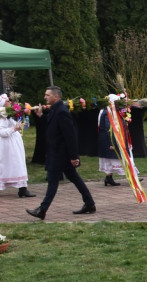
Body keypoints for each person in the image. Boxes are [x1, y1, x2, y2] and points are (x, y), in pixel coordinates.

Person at [26, 86, 95, 219]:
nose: (45, 97)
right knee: (75, 179)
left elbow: (71, 136)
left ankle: (42, 209)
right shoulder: (54, 110)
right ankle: (90, 204)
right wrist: (40, 117)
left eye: (47, 95)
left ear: (56, 96)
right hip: (56, 153)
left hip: (60, 155)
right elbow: (52, 127)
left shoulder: (62, 112)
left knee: (53, 181)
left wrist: (74, 156)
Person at [0, 94, 34, 198]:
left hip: (14, 145)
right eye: (7, 101)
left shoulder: (8, 115)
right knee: (4, 166)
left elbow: (14, 124)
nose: (9, 102)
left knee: (19, 164)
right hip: (6, 146)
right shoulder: (1, 116)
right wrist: (13, 129)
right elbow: (2, 132)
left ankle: (23, 189)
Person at [96, 107, 125, 187]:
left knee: (108, 159)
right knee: (112, 159)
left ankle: (108, 178)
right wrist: (111, 143)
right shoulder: (107, 113)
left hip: (105, 138)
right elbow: (108, 129)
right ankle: (109, 178)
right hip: (108, 139)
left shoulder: (104, 112)